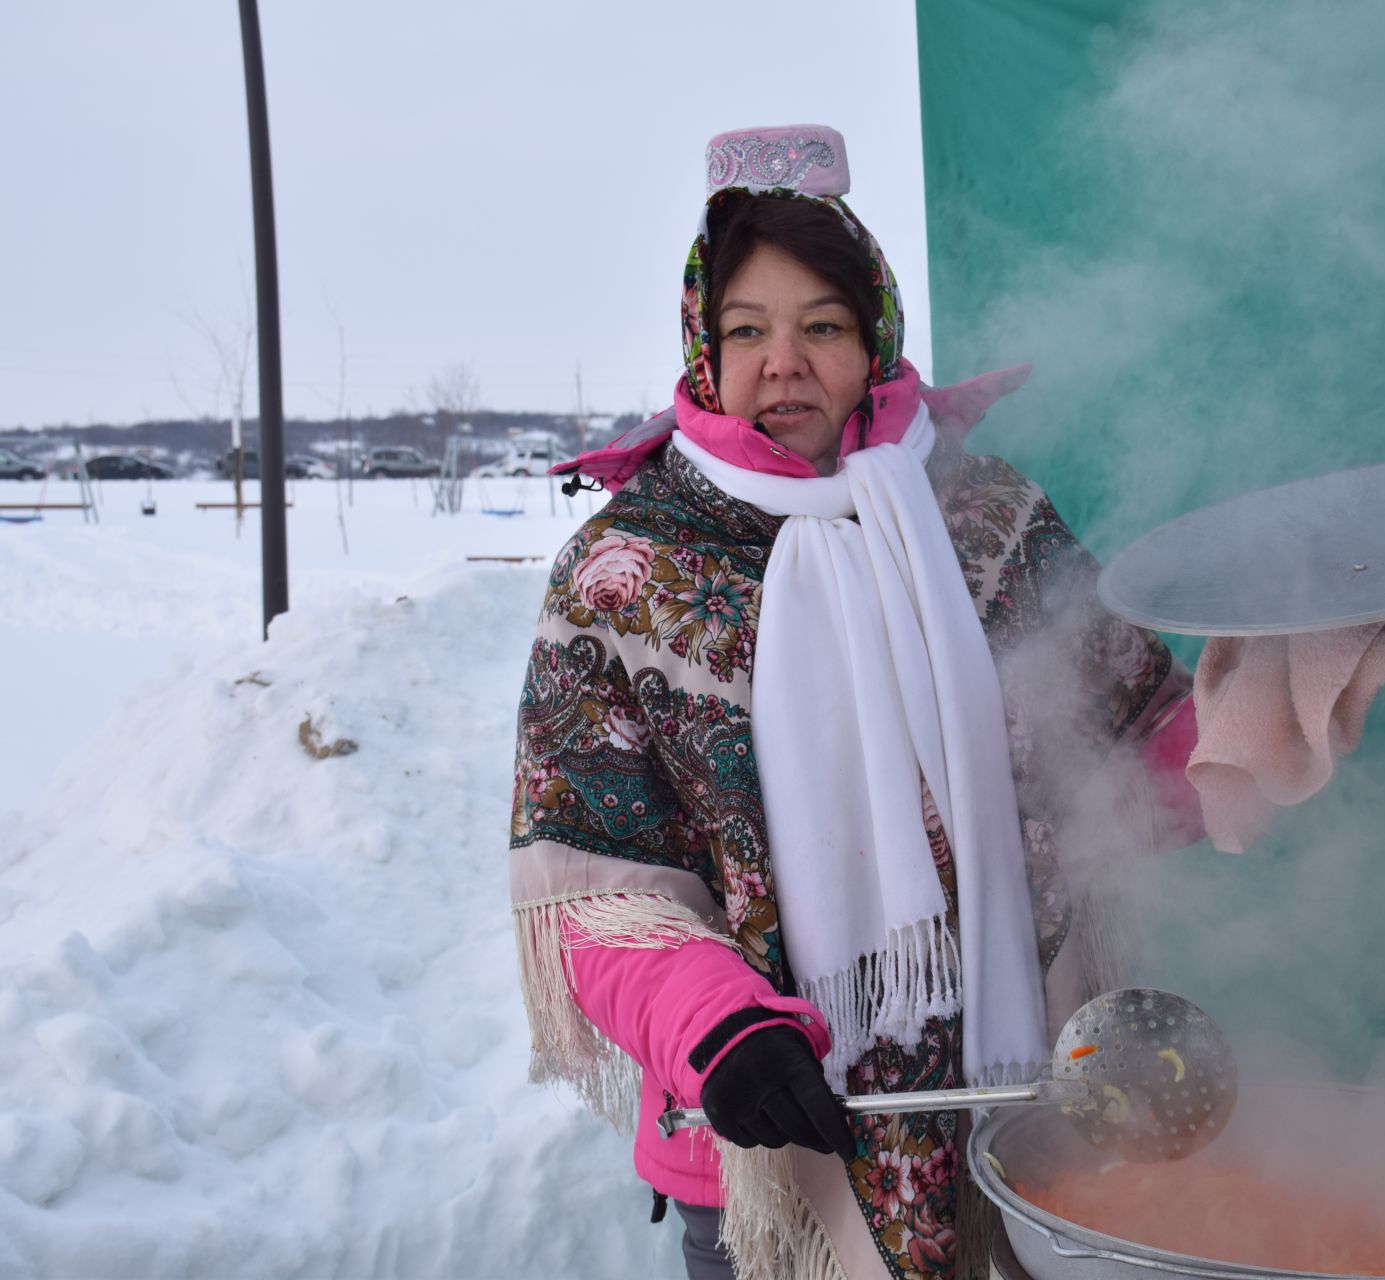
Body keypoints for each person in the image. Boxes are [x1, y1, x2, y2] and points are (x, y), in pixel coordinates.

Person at [507, 125, 1199, 1280]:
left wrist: (1305, 661)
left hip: (1025, 1118)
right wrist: (716, 1026)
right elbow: (595, 887)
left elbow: (1142, 751)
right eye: (747, 330)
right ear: (703, 347)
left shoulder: (987, 521)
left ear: (873, 339)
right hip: (767, 1151)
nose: (784, 362)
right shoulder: (628, 572)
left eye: (821, 325)